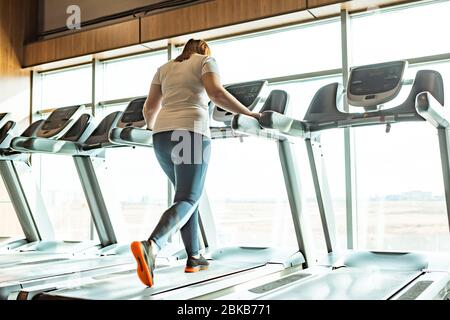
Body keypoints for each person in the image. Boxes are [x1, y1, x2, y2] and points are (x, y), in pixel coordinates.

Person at [130, 39, 261, 287]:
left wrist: (153, 128)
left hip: (161, 137)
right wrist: (249, 114)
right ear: (204, 51)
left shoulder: (164, 68)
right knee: (188, 198)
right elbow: (216, 93)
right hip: (189, 132)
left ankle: (194, 256)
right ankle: (152, 245)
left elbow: (149, 108)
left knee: (187, 198)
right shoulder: (206, 61)